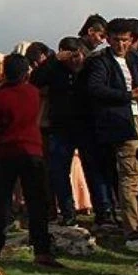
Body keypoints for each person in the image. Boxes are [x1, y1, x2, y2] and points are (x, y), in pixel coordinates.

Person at [0, 54, 62, 268]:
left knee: (1, 201)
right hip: (32, 151)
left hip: (5, 152)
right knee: (36, 201)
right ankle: (41, 251)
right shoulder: (33, 93)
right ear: (26, 72)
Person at [83, 18, 138, 237]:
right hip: (121, 123)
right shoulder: (101, 62)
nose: (121, 45)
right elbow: (95, 89)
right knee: (130, 175)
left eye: (125, 40)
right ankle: (132, 229)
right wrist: (129, 96)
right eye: (116, 40)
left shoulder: (134, 59)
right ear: (108, 39)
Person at [31, 37, 104, 224]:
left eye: (76, 55)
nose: (73, 60)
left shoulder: (90, 68)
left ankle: (104, 213)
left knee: (93, 170)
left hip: (86, 125)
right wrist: (54, 60)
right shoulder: (55, 70)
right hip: (61, 127)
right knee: (59, 171)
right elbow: (35, 80)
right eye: (69, 56)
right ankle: (68, 212)